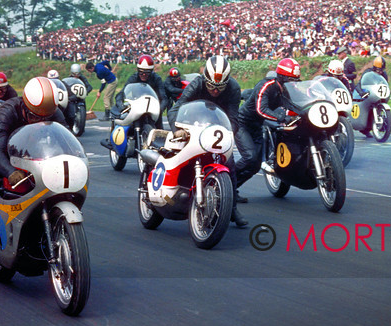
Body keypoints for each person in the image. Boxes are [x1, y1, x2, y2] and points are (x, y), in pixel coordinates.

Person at [167, 55, 245, 227]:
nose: (215, 91)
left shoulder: (233, 88)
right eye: (211, 86)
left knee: (230, 164)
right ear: (206, 79)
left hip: (219, 128)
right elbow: (176, 109)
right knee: (176, 155)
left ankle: (231, 208)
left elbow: (234, 117)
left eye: (220, 87)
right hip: (194, 125)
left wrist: (229, 133)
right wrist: (177, 129)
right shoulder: (197, 84)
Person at [235, 57, 298, 205]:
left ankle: (232, 188)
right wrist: (280, 117)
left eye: (295, 79)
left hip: (257, 126)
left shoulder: (289, 90)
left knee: (256, 165)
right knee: (249, 157)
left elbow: (295, 105)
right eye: (290, 79)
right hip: (243, 123)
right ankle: (224, 181)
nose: (293, 83)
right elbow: (261, 110)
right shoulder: (267, 85)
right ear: (281, 77)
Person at [0, 77, 66, 187]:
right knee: (2, 185)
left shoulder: (53, 111)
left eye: (46, 119)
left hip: (38, 157)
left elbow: (67, 141)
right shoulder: (5, 113)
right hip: (7, 158)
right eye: (35, 117)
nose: (40, 123)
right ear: (25, 108)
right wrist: (11, 172)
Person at [115, 54, 168, 129]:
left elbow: (164, 98)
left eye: (147, 72)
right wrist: (121, 105)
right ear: (138, 70)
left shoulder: (157, 79)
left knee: (160, 134)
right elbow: (121, 93)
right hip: (136, 108)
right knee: (121, 125)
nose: (143, 74)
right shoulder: (133, 78)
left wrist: (159, 110)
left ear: (151, 71)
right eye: (141, 72)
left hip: (152, 110)